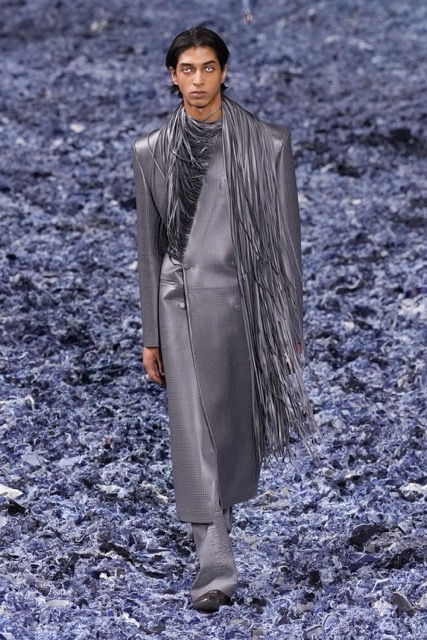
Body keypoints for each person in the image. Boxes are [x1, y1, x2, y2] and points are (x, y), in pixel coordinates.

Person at [132, 27, 316, 613]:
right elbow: (150, 248)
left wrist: (288, 325)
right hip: (180, 301)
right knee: (194, 432)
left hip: (245, 304)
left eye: (207, 68)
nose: (197, 80)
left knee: (233, 427)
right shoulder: (151, 151)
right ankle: (214, 566)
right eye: (186, 69)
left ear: (224, 72)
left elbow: (285, 243)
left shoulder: (268, 145)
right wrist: (151, 332)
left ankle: (221, 520)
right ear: (172, 76)